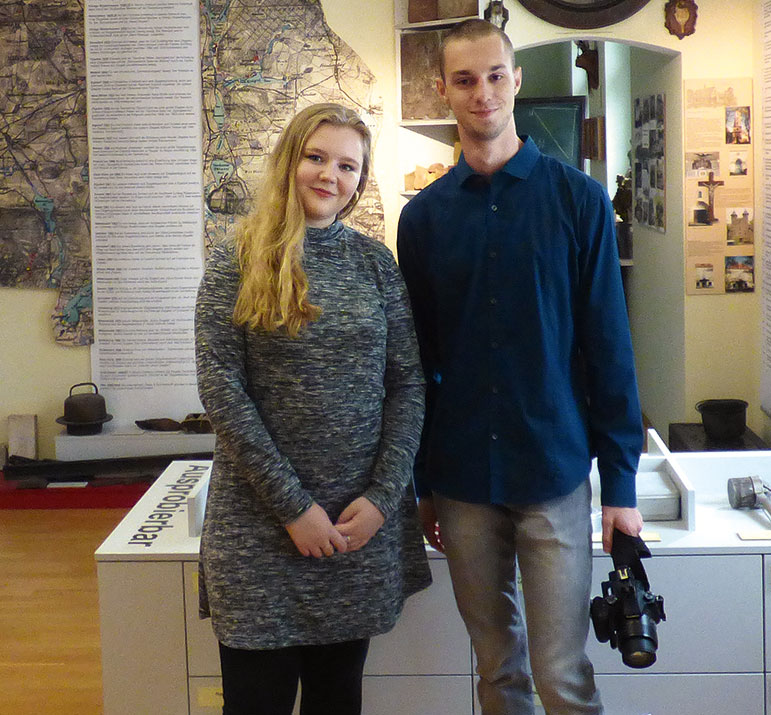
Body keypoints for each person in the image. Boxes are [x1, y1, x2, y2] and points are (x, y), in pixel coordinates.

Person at [397, 19, 644, 715]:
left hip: (554, 471)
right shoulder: (424, 222)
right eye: (466, 80)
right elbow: (417, 362)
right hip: (463, 480)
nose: (483, 93)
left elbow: (610, 348)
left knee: (562, 673)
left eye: (495, 76)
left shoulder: (579, 202)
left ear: (517, 80)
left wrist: (619, 483)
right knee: (496, 670)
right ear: (443, 90)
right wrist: (421, 480)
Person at [195, 102, 432, 715]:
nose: (330, 175)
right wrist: (294, 508)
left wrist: (382, 499)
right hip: (260, 531)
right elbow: (223, 390)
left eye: (348, 166)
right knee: (255, 704)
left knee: (337, 702)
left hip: (356, 530)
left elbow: (407, 384)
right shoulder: (236, 262)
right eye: (316, 157)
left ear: (360, 179)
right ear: (289, 161)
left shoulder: (373, 263)